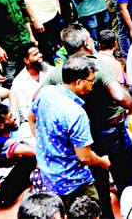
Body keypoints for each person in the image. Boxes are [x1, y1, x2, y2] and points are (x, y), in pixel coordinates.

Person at [42, 25, 132, 217]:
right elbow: (120, 96)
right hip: (111, 132)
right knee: (125, 181)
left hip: (83, 139)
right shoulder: (99, 66)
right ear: (86, 43)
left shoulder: (58, 72)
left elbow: (38, 98)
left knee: (99, 185)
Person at [29, 56, 110, 206]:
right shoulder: (76, 113)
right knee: (92, 209)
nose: (92, 85)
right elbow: (85, 157)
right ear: (79, 82)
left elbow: (31, 117)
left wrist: (43, 143)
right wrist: (102, 162)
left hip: (48, 175)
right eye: (91, 81)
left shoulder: (46, 92)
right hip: (73, 180)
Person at [0, 103, 37, 210]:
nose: (15, 117)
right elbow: (36, 152)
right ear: (0, 126)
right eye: (10, 117)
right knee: (30, 159)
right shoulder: (2, 143)